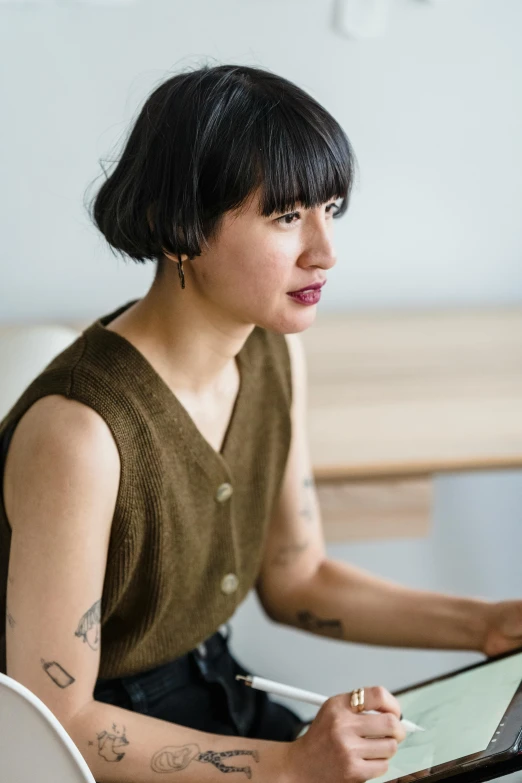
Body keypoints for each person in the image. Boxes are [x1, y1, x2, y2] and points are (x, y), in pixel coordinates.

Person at [1, 63, 522, 783]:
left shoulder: (272, 352)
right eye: (286, 216)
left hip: (215, 686)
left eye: (330, 209)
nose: (326, 250)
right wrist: (291, 766)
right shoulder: (81, 434)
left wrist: (487, 623)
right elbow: (52, 718)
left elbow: (296, 578)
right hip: (104, 746)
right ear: (176, 228)